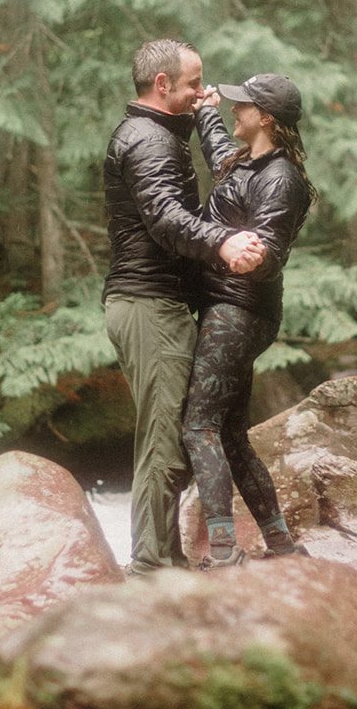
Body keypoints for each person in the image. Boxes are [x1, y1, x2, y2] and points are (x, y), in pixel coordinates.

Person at [102, 39, 266, 577]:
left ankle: (166, 557)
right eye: (195, 83)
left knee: (173, 431)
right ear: (163, 85)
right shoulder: (147, 141)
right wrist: (223, 242)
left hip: (156, 302)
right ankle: (150, 567)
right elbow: (167, 218)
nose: (204, 91)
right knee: (164, 439)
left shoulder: (156, 132)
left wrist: (204, 119)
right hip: (147, 304)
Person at [183, 72, 315, 567]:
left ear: (265, 118)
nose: (234, 111)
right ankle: (279, 542)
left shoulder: (282, 178)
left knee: (199, 427)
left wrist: (254, 256)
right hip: (227, 307)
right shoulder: (246, 160)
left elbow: (272, 249)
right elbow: (219, 153)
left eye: (242, 105)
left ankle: (221, 553)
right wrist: (205, 110)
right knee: (231, 432)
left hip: (239, 311)